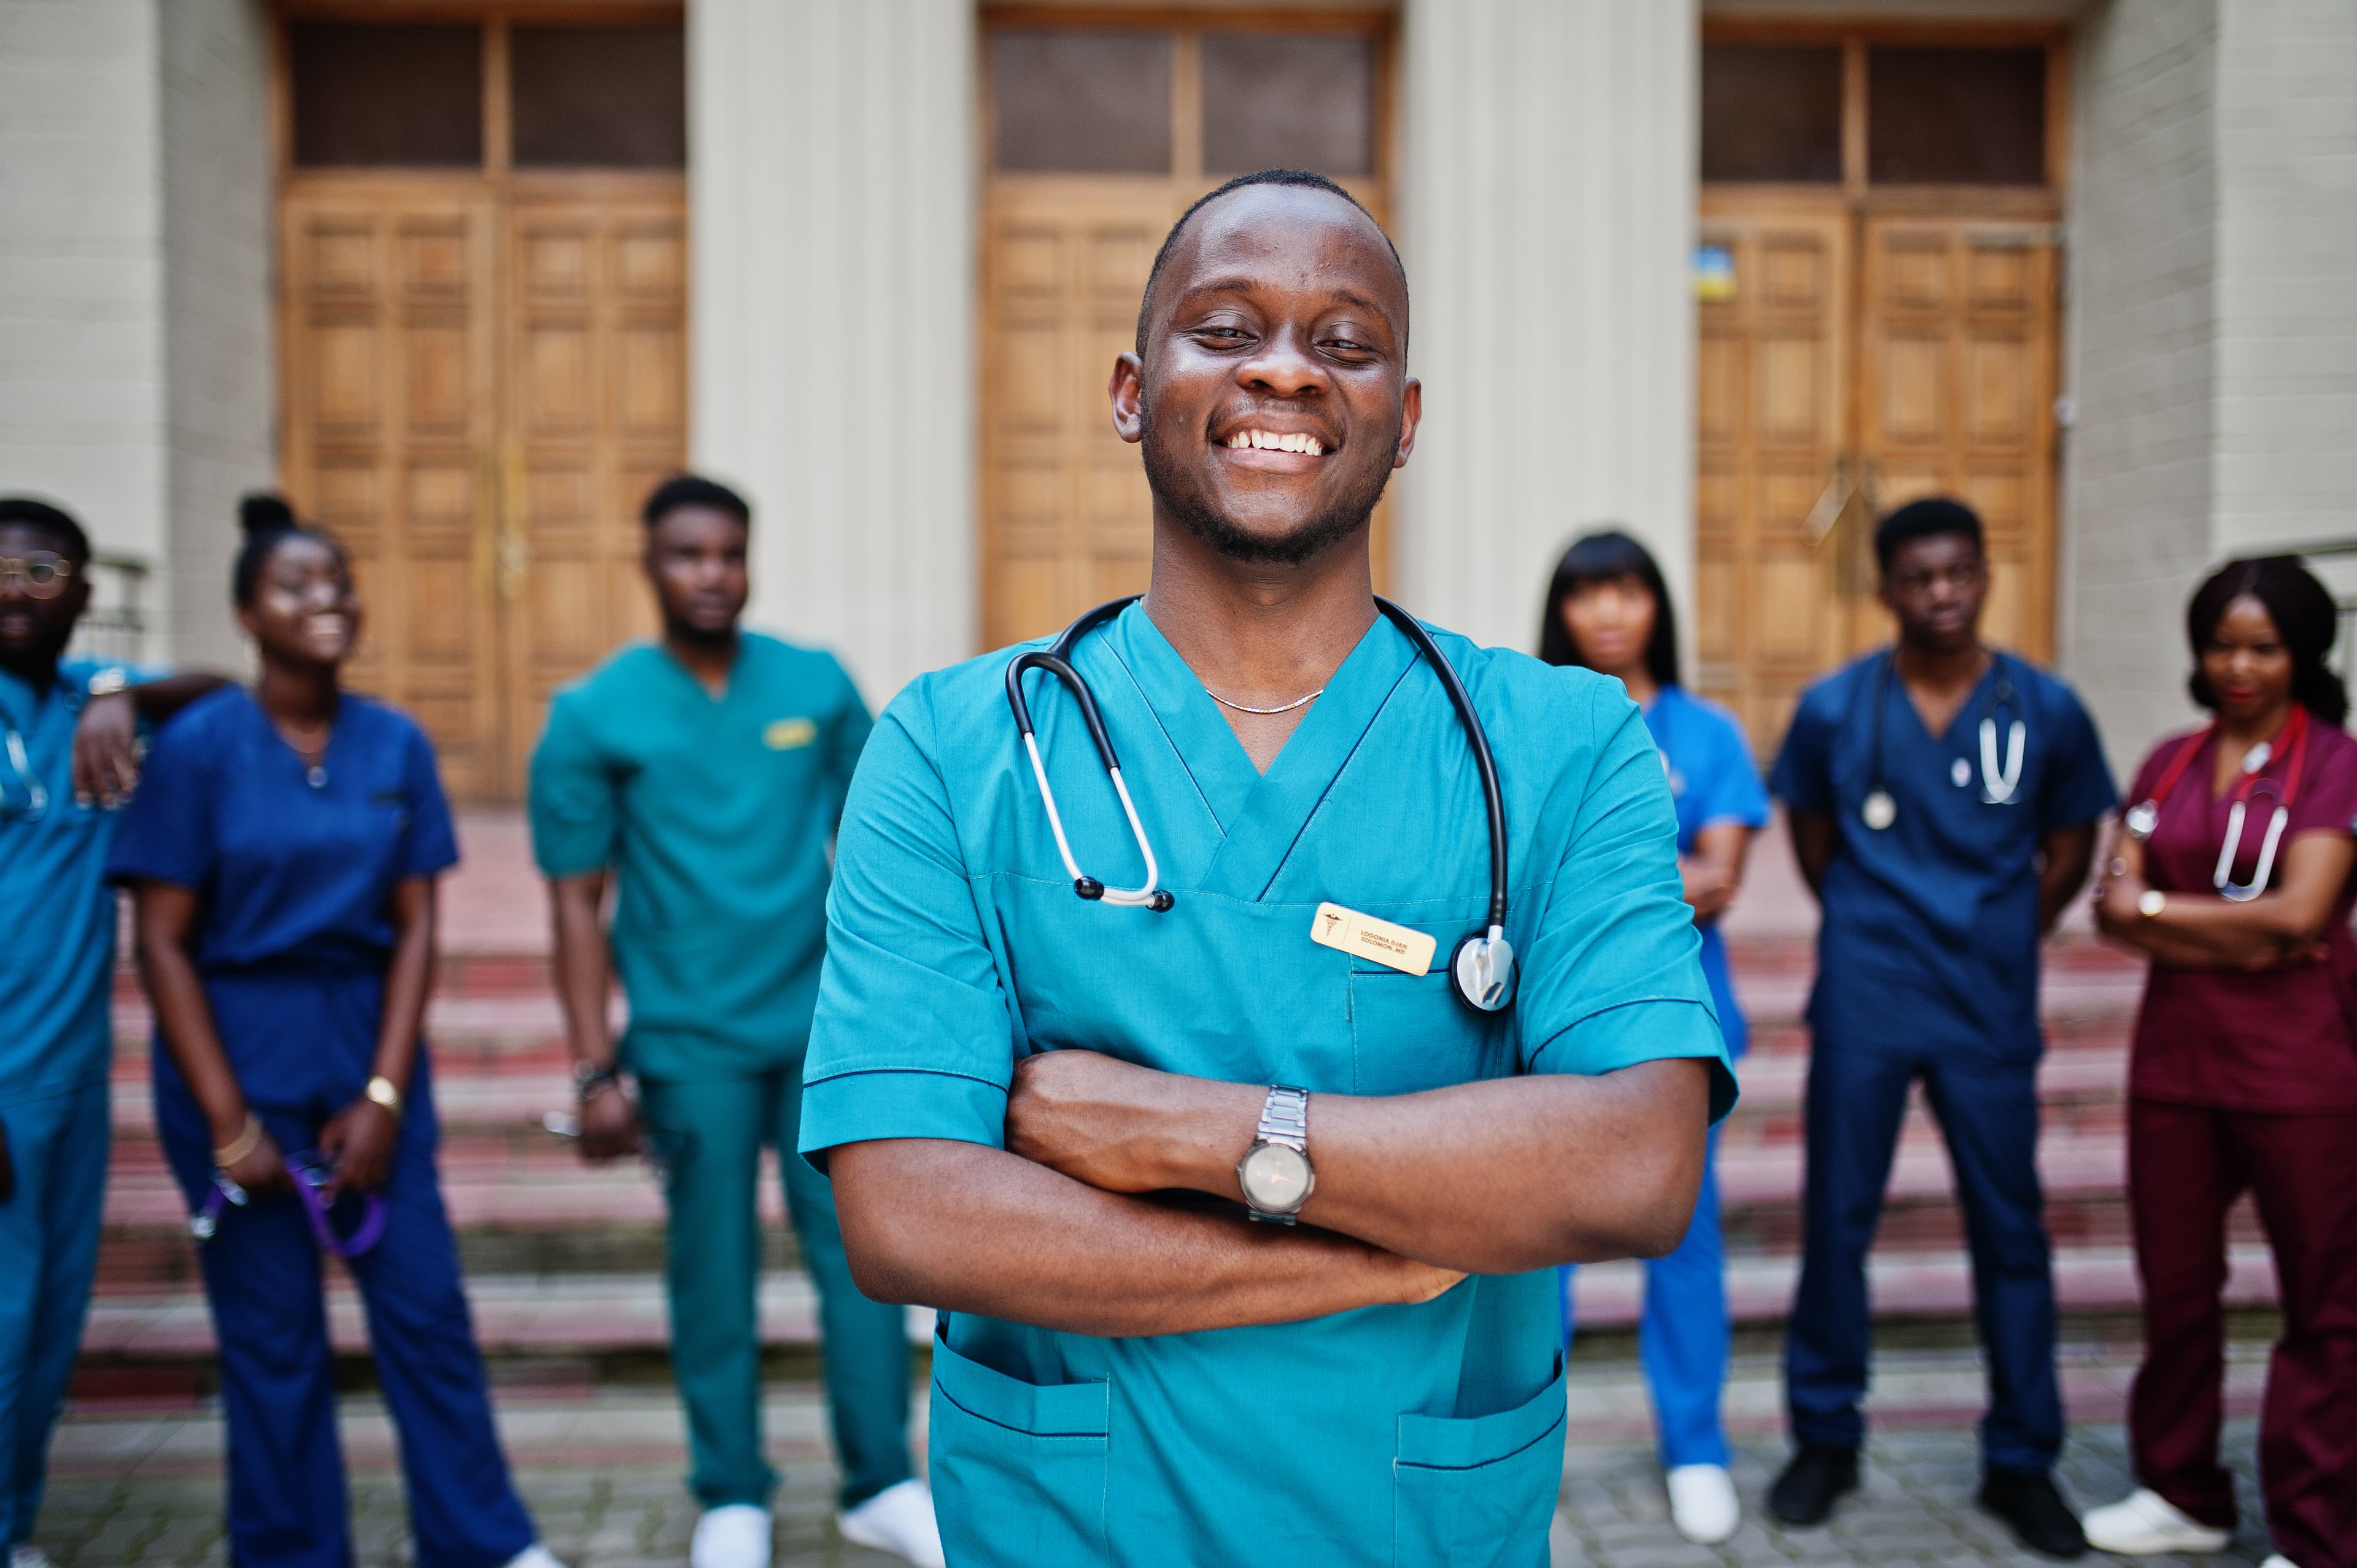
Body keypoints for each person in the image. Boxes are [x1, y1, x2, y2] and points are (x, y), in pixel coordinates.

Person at [800, 167, 1737, 1568]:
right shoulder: (954, 747)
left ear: (1404, 421)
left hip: (1419, 1523)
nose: (1287, 372)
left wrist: (1180, 1131)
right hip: (1075, 1526)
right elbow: (905, 1210)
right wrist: (1354, 1256)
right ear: (1132, 390)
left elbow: (1636, 1163)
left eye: (1346, 343)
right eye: (1227, 329)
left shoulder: (1558, 743)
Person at [106, 496, 562, 1568]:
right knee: (272, 1341)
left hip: (368, 1046)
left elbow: (415, 931)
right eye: (294, 586)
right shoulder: (197, 749)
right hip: (234, 1054)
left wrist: (385, 1095)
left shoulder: (394, 743)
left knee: (427, 1313)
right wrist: (228, 1124)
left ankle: (481, 1542)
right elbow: (160, 946)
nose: (325, 602)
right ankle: (289, 1551)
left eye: (338, 582)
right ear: (244, 613)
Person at [527, 476, 939, 1568]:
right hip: (685, 1040)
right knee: (708, 1266)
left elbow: (894, 841)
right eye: (686, 555)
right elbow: (575, 902)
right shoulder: (595, 712)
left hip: (821, 1033)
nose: (711, 574)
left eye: (728, 554)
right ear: (649, 565)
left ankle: (881, 1480)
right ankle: (732, 1496)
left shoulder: (812, 681)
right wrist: (590, 1067)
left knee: (865, 1255)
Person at [1767, 497, 2115, 1555]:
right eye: (1920, 578)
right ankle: (1826, 1439)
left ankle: (2022, 1462)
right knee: (1838, 1221)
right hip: (1871, 991)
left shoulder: (2045, 709)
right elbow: (1817, 843)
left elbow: (2069, 847)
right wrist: (1885, 933)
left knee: (2011, 1231)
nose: (1943, 594)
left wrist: (2005, 934)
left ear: (1986, 575)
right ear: (1885, 591)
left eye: (1961, 572)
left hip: (1984, 999)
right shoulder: (1835, 710)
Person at [2082, 556, 2357, 1568]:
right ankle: (2183, 1490)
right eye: (2221, 644)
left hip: (2303, 1074)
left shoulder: (2335, 763)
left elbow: (2302, 914)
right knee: (2177, 1289)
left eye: (2263, 646)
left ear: (2302, 653)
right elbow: (2114, 908)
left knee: (2325, 1306)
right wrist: (2228, 927)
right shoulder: (2167, 759)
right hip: (2177, 1068)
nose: (2239, 665)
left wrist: (2167, 913)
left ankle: (2317, 1533)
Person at [0, 497, 224, 1568]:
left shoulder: (92, 706)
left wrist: (119, 689)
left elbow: (227, 693)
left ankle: (20, 1525)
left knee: (47, 1327)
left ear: (86, 596)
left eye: (44, 570)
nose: (16, 588)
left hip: (73, 1080)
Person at [1539, 528, 1767, 1545]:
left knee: (1683, 1245)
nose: (1609, 612)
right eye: (1587, 594)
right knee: (1534, 1247)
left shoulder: (1705, 731)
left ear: (1657, 606)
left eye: (1627, 591)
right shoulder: (1534, 722)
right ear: (1563, 611)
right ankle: (1525, 1446)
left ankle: (1696, 1450)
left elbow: (1719, 877)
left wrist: (1584, 900)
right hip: (1548, 1036)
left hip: (1678, 1038)